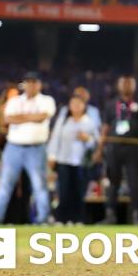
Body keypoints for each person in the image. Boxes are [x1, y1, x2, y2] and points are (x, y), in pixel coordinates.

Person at [0, 72, 56, 225]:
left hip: (36, 147)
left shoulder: (46, 100)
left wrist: (21, 117)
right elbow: (8, 119)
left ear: (39, 84)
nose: (31, 85)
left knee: (39, 185)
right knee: (5, 184)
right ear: (24, 84)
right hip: (14, 147)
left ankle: (43, 219)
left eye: (34, 82)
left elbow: (42, 117)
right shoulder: (14, 101)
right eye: (28, 82)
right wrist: (32, 117)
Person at [95, 75, 138, 224]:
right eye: (124, 83)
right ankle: (110, 215)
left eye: (130, 83)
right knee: (112, 182)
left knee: (135, 182)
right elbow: (105, 128)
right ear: (118, 86)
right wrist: (99, 149)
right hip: (114, 147)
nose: (127, 86)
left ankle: (136, 216)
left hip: (133, 147)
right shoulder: (111, 105)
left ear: (134, 86)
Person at [47, 94, 99, 225]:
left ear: (84, 106)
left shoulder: (89, 122)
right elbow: (55, 138)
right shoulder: (64, 120)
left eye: (79, 103)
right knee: (64, 191)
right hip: (64, 160)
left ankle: (77, 219)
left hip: (81, 162)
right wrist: (52, 155)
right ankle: (61, 218)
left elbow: (95, 142)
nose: (76, 106)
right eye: (73, 103)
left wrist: (86, 139)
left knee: (79, 192)